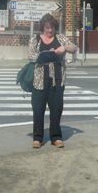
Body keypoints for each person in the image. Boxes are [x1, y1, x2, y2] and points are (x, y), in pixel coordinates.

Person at [28, 13, 77, 149]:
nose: (50, 30)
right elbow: (30, 55)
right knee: (38, 109)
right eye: (47, 28)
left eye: (52, 27)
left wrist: (64, 48)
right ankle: (37, 138)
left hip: (57, 80)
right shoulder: (36, 39)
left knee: (56, 109)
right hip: (40, 81)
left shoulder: (60, 38)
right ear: (43, 27)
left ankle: (56, 137)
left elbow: (74, 48)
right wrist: (44, 55)